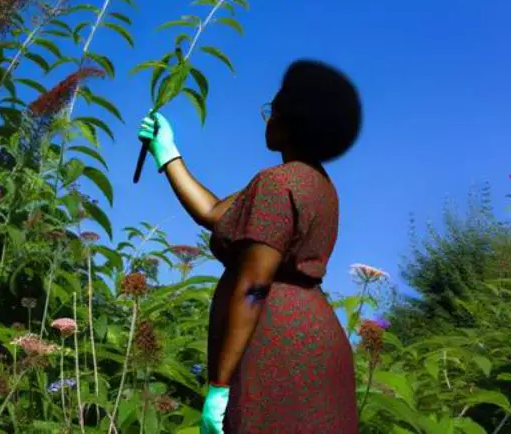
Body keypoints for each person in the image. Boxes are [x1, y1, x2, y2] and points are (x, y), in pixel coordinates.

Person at [136, 59, 362, 434]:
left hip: (276, 345)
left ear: (290, 124)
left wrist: (219, 387)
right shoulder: (319, 185)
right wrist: (168, 153)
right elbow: (213, 212)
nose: (266, 121)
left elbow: (254, 288)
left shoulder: (276, 183)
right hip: (317, 340)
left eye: (271, 112)